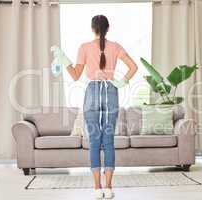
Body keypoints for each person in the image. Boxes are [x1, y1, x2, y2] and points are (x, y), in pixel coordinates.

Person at [52, 15, 138, 199]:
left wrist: (64, 59)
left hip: (91, 93)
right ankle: (109, 187)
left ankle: (97, 188)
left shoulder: (84, 47)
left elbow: (75, 75)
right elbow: (133, 67)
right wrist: (121, 82)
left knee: (94, 140)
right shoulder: (116, 47)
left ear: (92, 29)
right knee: (108, 140)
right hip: (111, 92)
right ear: (108, 28)